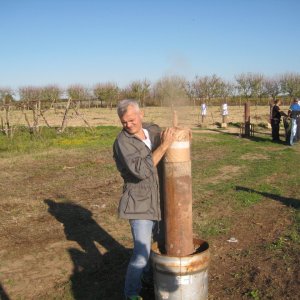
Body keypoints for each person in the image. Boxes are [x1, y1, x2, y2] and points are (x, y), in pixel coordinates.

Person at [113, 99, 174, 300]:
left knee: (160, 244)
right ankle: (131, 293)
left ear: (142, 114)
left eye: (131, 120)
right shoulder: (123, 142)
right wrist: (164, 146)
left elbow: (170, 135)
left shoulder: (152, 130)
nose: (129, 125)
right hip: (138, 203)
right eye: (124, 122)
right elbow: (141, 171)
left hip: (158, 200)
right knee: (141, 254)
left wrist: (183, 133)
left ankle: (149, 281)